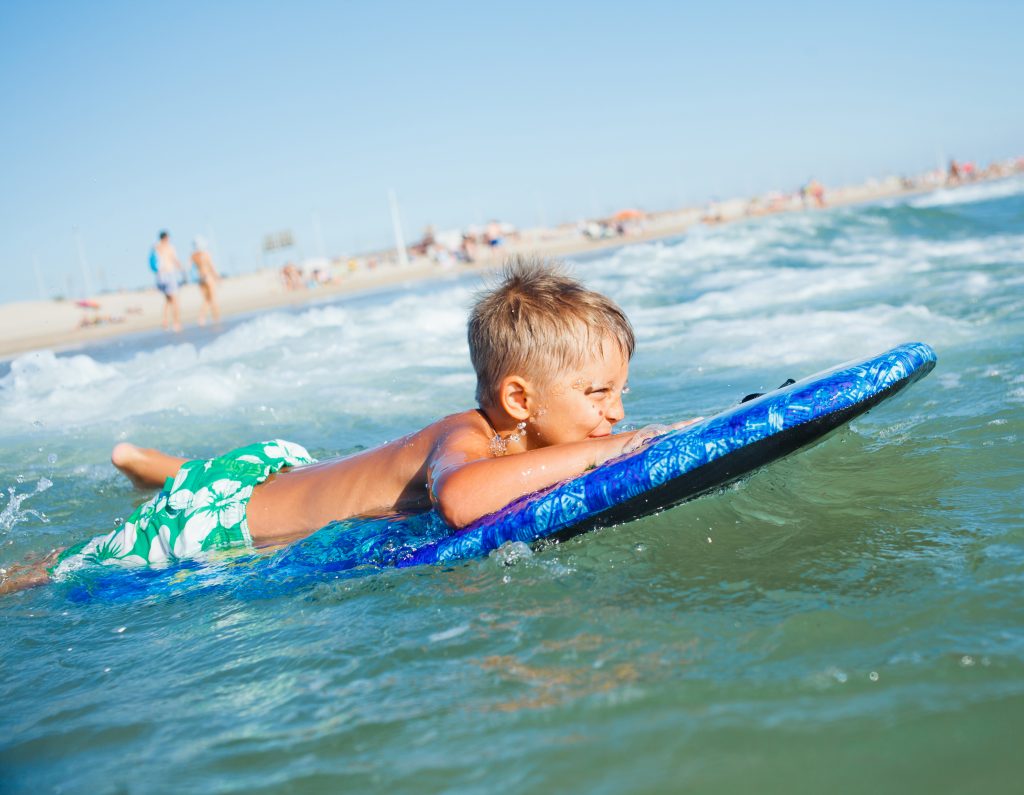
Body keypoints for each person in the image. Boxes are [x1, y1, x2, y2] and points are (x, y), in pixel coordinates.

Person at [0, 257, 700, 594]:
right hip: (218, 521)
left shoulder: (503, 434)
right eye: (599, 395)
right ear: (519, 398)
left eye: (622, 394)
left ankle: (148, 464)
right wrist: (613, 450)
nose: (616, 413)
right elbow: (463, 500)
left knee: (200, 479)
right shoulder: (464, 438)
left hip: (259, 474)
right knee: (58, 571)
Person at [154, 230, 184, 332]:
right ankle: (176, 323)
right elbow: (174, 259)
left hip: (160, 276)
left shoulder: (156, 247)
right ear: (166, 238)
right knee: (175, 300)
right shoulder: (169, 247)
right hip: (169, 274)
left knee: (167, 300)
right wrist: (181, 268)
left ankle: (165, 321)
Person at [190, 236, 221, 326]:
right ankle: (216, 317)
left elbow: (189, 267)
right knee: (212, 298)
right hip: (208, 277)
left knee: (206, 299)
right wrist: (217, 276)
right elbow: (211, 266)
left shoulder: (193, 256)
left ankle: (201, 317)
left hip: (200, 279)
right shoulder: (206, 254)